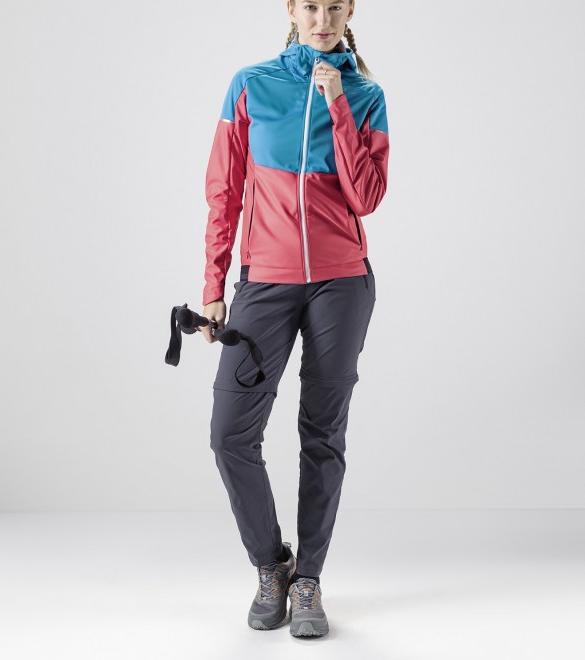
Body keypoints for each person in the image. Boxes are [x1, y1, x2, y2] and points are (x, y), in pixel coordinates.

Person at [196, 0, 389, 638]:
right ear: (291, 9)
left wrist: (337, 104)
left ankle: (308, 579)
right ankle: (271, 564)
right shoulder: (250, 84)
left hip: (342, 283)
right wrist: (213, 285)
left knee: (322, 436)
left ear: (350, 9)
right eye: (311, 5)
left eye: (334, 6)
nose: (322, 18)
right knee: (230, 433)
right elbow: (224, 189)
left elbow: (367, 196)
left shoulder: (367, 95)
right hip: (265, 280)